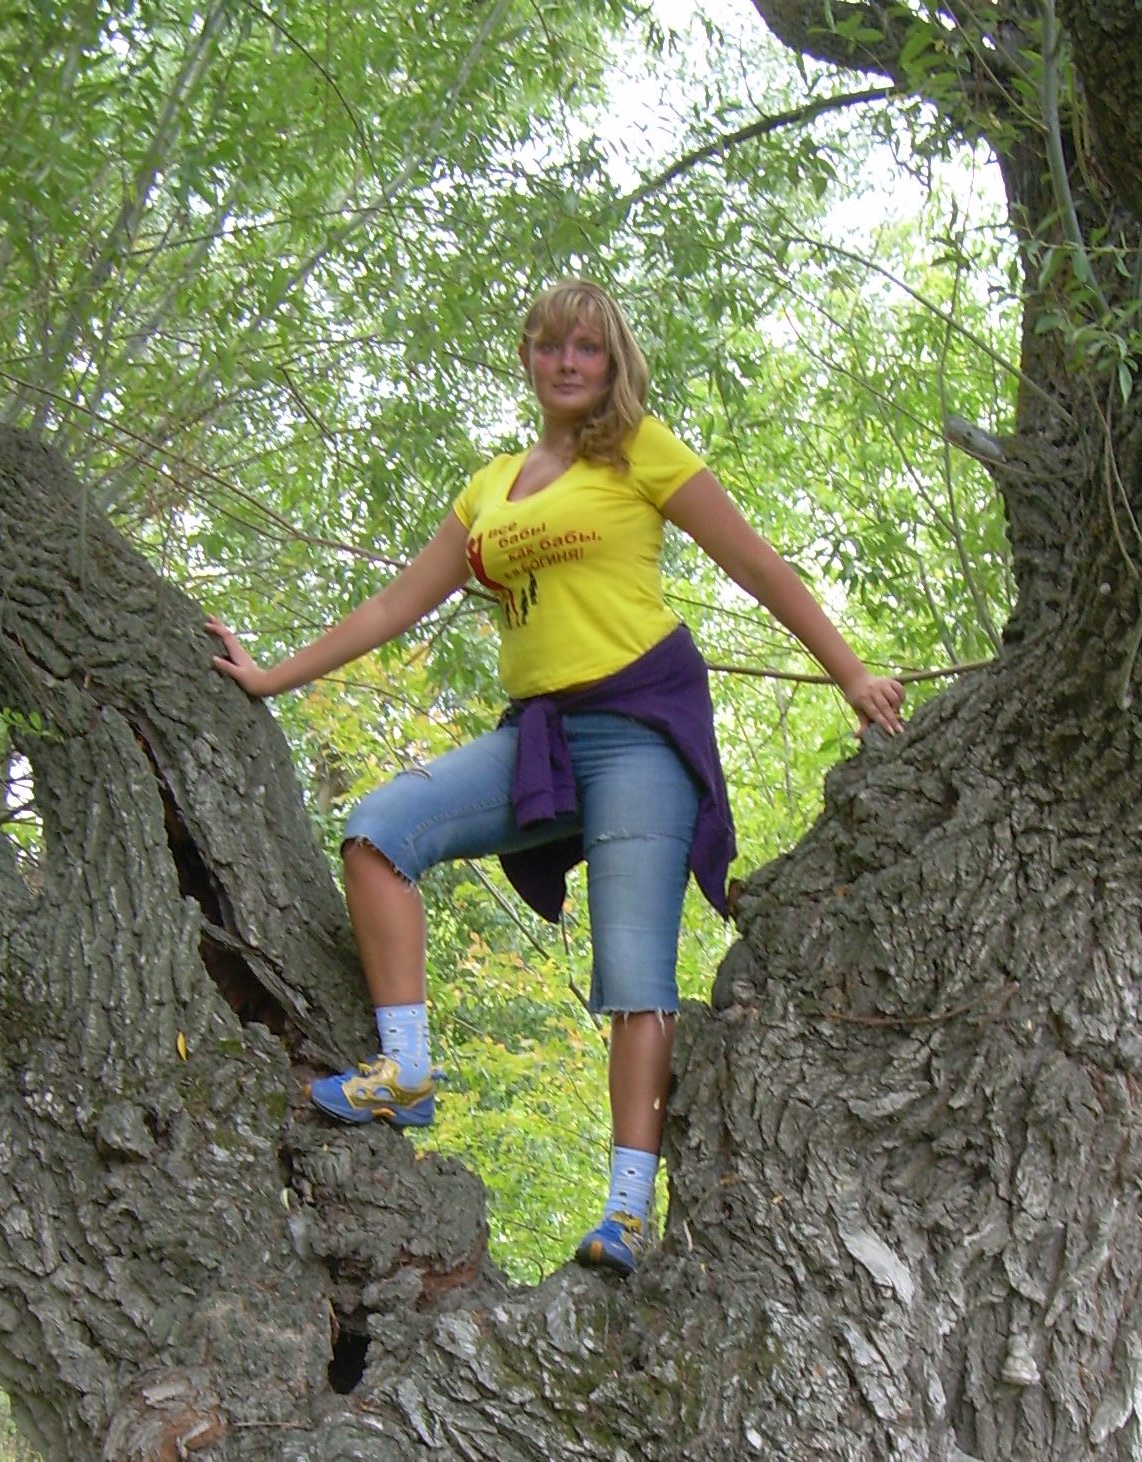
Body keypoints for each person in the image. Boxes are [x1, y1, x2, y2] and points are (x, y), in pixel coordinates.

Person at [206, 279, 902, 1274]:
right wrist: (272, 676)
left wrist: (849, 673)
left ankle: (625, 1214)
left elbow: (755, 564)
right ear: (529, 359)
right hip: (542, 736)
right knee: (378, 833)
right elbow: (394, 606)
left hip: (641, 727)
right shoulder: (491, 488)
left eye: (587, 348)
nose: (566, 363)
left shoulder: (640, 451)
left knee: (633, 972)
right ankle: (405, 1069)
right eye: (549, 346)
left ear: (613, 363)